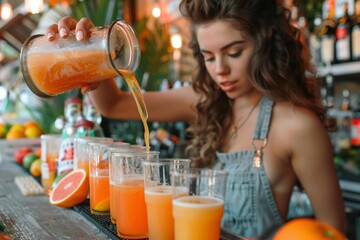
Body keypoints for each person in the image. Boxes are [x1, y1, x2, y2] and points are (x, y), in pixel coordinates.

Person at [45, 0, 347, 238]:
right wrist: (86, 50)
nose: (220, 71)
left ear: (266, 40)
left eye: (234, 52)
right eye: (209, 56)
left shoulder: (296, 126)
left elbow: (333, 231)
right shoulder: (205, 100)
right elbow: (113, 105)